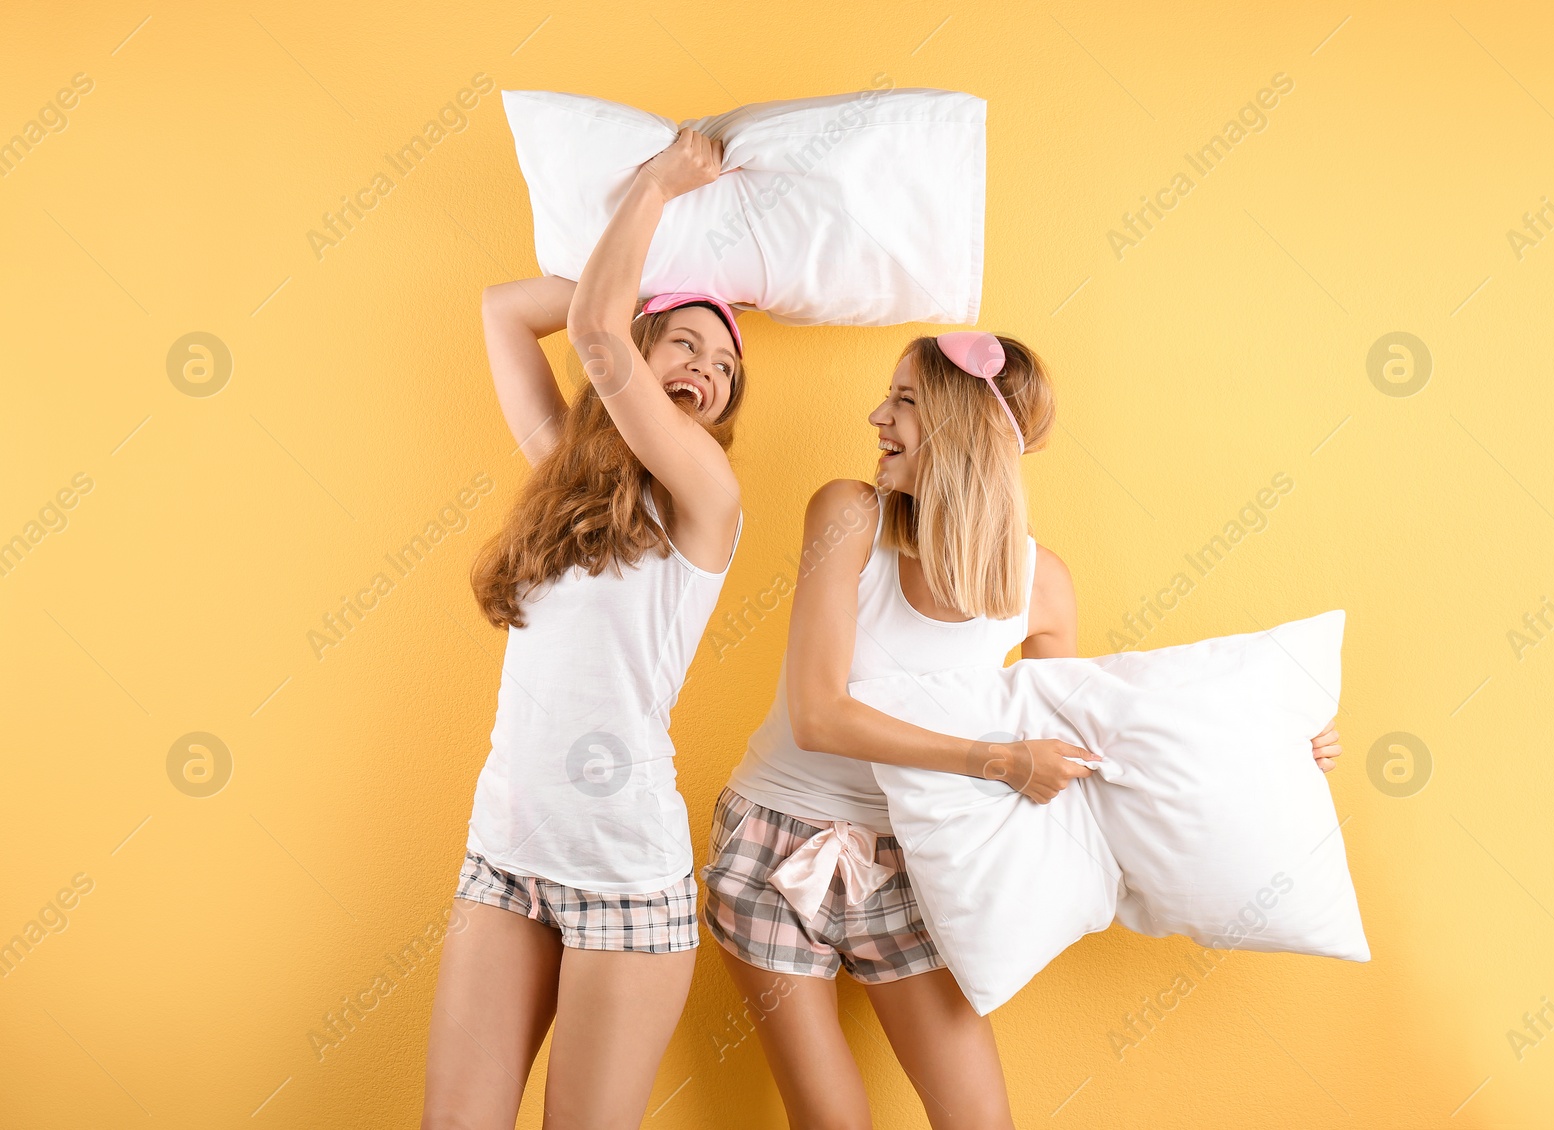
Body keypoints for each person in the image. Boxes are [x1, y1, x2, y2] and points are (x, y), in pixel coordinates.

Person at [702, 330, 1343, 1129]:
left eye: (903, 400)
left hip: (914, 860)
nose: (877, 416)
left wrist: (1269, 753)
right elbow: (819, 713)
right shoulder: (848, 516)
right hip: (771, 842)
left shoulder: (1044, 588)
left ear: (957, 425)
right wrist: (997, 760)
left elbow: (1086, 753)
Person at [421, 129, 747, 1129]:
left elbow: (596, 339)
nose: (707, 367)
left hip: (623, 878)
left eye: (727, 366)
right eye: (685, 342)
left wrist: (658, 188)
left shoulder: (707, 498)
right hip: (507, 853)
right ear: (645, 351)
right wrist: (663, 269)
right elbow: (505, 314)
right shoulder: (565, 475)